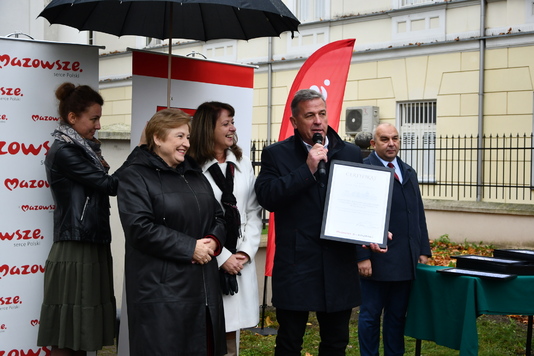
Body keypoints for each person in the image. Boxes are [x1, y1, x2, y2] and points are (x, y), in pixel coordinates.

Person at [254, 89, 386, 356]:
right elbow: (268, 197)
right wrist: (307, 169)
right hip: (297, 265)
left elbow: (359, 203)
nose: (317, 121)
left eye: (322, 114)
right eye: (310, 115)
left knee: (336, 342)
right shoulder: (276, 155)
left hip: (337, 264)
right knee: (290, 341)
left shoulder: (349, 152)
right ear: (294, 122)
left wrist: (372, 230)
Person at [116, 108, 227, 356]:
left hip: (203, 291)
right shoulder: (135, 176)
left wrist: (212, 240)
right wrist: (191, 248)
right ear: (157, 138)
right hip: (162, 294)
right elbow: (139, 228)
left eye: (187, 137)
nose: (186, 144)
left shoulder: (195, 173)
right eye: (179, 136)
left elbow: (218, 215)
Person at [37, 83, 118, 356]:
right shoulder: (65, 150)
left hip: (90, 240)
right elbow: (108, 184)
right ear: (73, 118)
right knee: (68, 331)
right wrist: (143, 151)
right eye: (94, 118)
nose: (98, 125)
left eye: (98, 118)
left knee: (82, 328)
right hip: (75, 244)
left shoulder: (85, 148)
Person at [189, 101, 262, 356]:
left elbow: (253, 212)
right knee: (207, 332)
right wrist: (223, 258)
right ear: (208, 129)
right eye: (226, 123)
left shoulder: (241, 164)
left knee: (231, 336)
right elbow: (193, 220)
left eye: (233, 121)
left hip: (240, 260)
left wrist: (245, 253)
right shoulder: (192, 168)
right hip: (207, 261)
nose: (233, 128)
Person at [357, 123, 432, 356]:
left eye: (395, 138)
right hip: (377, 259)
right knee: (370, 317)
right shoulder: (362, 169)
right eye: (385, 139)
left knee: (397, 317)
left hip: (405, 260)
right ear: (373, 144)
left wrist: (423, 249)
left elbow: (417, 213)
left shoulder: (408, 171)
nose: (391, 143)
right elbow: (356, 216)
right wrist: (362, 257)